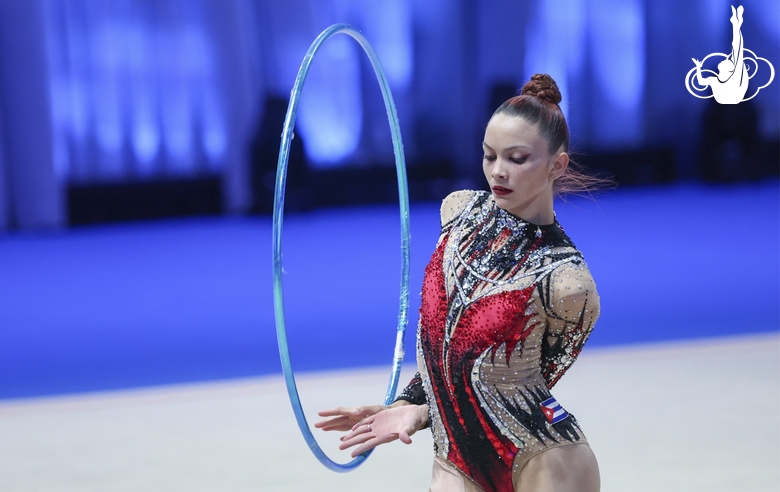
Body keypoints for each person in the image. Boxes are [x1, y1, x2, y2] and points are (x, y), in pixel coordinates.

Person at [316, 74, 609, 492]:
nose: (498, 171)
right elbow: (441, 343)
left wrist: (425, 408)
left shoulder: (567, 282)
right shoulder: (457, 212)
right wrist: (411, 404)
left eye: (517, 158)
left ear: (556, 165)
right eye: (489, 156)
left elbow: (532, 377)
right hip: (454, 460)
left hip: (543, 460)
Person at [692, 5, 748, 104]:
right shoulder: (715, 80)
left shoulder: (734, 79)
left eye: (727, 61)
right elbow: (701, 82)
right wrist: (698, 67)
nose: (725, 60)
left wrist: (736, 26)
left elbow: (737, 50)